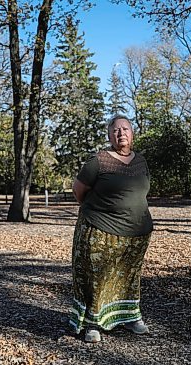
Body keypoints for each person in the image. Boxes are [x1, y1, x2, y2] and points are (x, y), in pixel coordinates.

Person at [69, 114, 153, 343]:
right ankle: (92, 324)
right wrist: (100, 210)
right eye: (116, 130)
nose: (121, 133)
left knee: (129, 277)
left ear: (132, 134)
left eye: (125, 129)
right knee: (97, 278)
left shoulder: (141, 161)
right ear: (109, 136)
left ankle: (130, 318)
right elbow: (79, 190)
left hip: (136, 233)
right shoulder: (98, 160)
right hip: (100, 230)